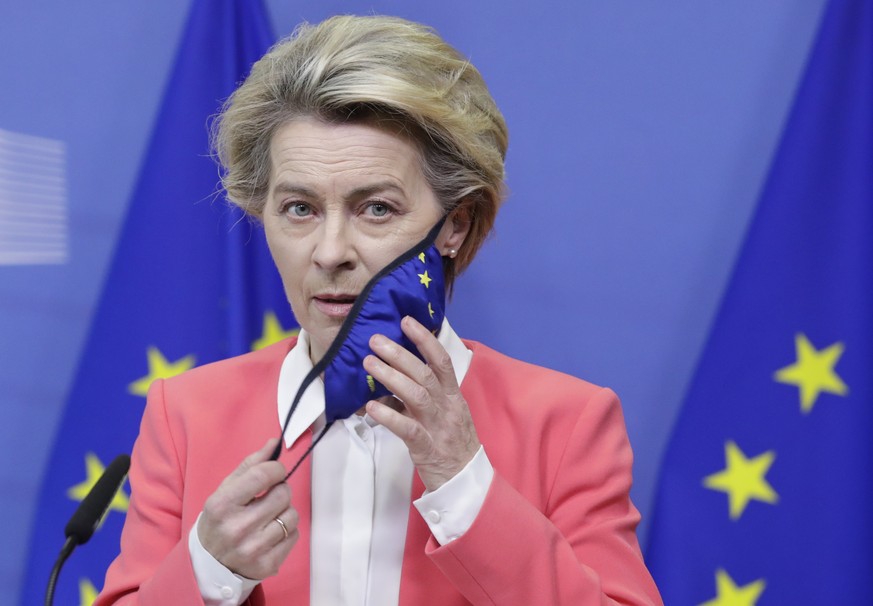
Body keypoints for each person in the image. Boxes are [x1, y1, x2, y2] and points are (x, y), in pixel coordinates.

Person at [96, 15, 662, 606]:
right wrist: (209, 569)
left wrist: (465, 482)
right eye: (298, 208)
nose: (331, 252)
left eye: (376, 209)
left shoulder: (565, 423)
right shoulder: (187, 414)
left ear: (455, 225)